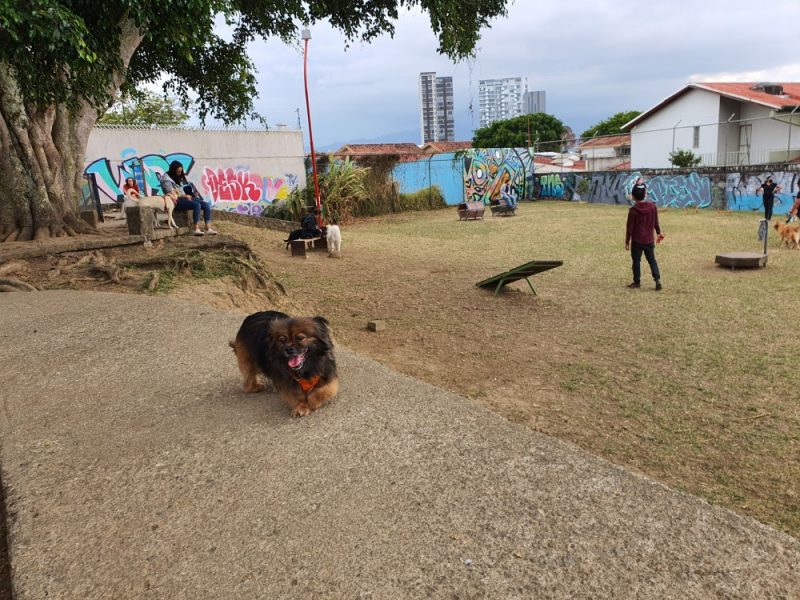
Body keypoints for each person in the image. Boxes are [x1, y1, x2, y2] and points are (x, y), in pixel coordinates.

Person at [625, 178, 664, 291]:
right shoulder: (653, 207)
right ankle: (657, 280)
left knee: (636, 261)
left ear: (633, 196)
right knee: (652, 260)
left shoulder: (633, 210)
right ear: (645, 194)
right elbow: (656, 222)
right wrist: (658, 232)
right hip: (649, 240)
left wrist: (627, 241)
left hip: (637, 241)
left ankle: (637, 282)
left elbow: (629, 228)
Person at [159, 161, 217, 236]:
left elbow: (183, 187)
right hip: (175, 201)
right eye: (178, 172)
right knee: (197, 205)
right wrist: (185, 196)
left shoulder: (177, 176)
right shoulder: (166, 180)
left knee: (206, 205)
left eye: (181, 171)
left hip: (184, 197)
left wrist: (191, 193)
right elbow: (171, 193)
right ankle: (196, 229)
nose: (180, 173)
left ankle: (208, 228)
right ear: (173, 171)